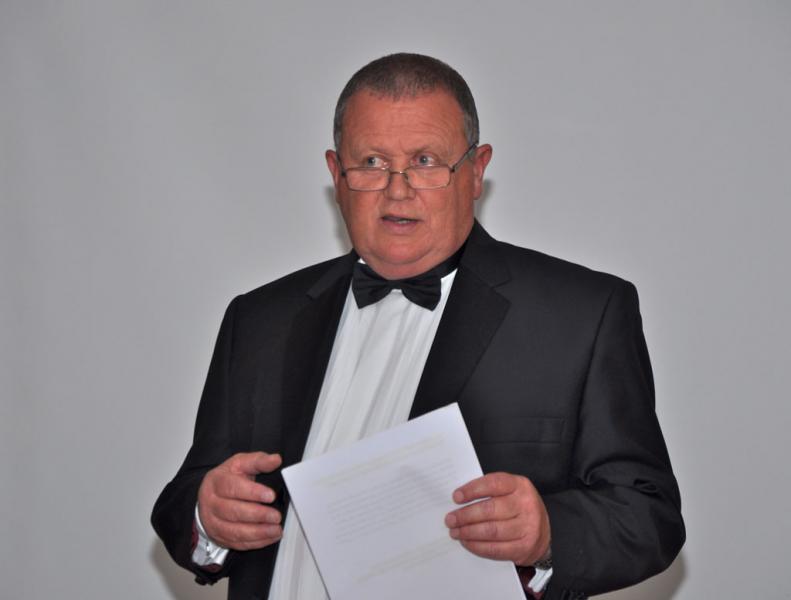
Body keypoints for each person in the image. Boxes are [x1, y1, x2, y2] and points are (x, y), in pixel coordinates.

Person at [152, 53, 685, 600]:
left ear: (475, 171)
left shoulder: (581, 314)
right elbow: (184, 502)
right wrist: (207, 517)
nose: (397, 189)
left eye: (425, 161)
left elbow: (649, 516)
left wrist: (548, 533)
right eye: (372, 162)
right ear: (337, 174)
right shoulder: (259, 319)